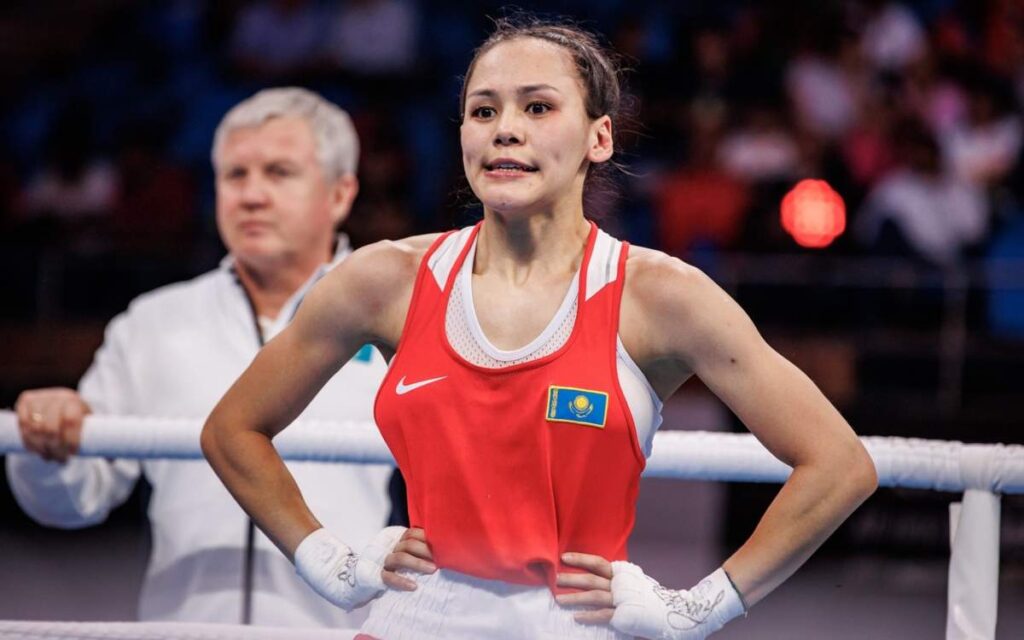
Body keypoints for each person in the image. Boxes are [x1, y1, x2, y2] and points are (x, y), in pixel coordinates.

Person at [203, 19, 878, 640]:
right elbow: (233, 429)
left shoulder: (660, 297)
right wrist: (325, 560)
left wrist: (697, 609)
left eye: (537, 107)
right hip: (411, 619)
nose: (505, 130)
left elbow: (838, 465)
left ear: (599, 137)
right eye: (483, 110)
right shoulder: (384, 280)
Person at [7, 87, 393, 629]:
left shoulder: (398, 320)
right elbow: (70, 503)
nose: (251, 195)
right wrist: (47, 442)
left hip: (345, 632)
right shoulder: (155, 322)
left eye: (279, 172)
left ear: (339, 193)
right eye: (235, 175)